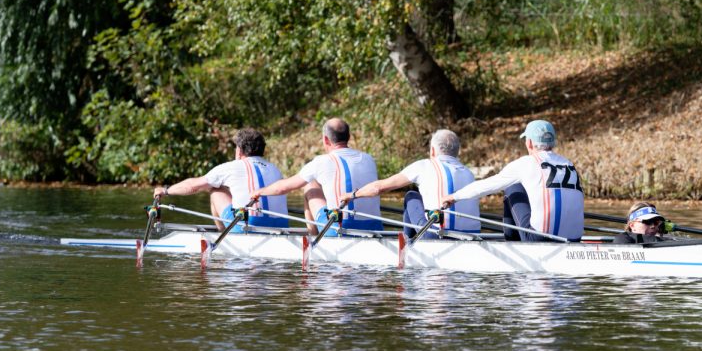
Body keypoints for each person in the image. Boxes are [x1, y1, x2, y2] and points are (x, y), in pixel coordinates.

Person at [440, 119, 584, 242]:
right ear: (553, 142)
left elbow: (487, 186)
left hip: (540, 239)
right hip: (575, 239)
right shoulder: (568, 164)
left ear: (529, 143)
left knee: (513, 187)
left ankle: (511, 243)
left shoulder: (527, 163)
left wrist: (453, 197)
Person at [339, 129, 480, 238]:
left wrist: (352, 195)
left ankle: (407, 244)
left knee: (411, 195)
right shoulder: (469, 173)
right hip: (473, 235)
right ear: (457, 152)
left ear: (432, 151)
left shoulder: (424, 166)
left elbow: (378, 188)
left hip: (436, 235)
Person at [252, 117, 382, 233]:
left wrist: (260, 192)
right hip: (375, 227)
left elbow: (283, 188)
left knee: (310, 184)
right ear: (349, 137)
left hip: (338, 228)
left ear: (325, 139)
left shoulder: (322, 161)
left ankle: (313, 236)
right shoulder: (368, 159)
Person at [152, 128, 289, 231]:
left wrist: (165, 190)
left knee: (215, 189)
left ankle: (223, 235)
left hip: (247, 225)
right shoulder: (275, 169)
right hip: (281, 226)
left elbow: (193, 186)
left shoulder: (231, 167)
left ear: (239, 150)